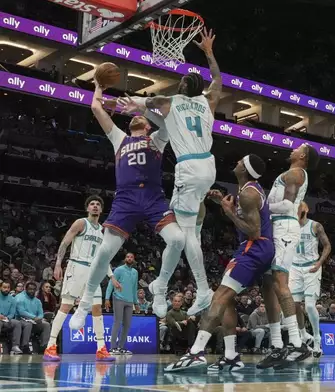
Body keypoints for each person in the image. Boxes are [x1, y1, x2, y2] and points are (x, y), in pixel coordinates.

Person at [68, 77, 186, 331]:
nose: (135, 119)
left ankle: (161, 285)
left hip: (153, 197)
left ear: (145, 124)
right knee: (103, 253)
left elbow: (166, 120)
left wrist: (142, 107)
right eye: (134, 117)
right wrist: (99, 86)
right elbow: (96, 109)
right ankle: (85, 302)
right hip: (126, 198)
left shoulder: (157, 139)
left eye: (141, 118)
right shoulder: (119, 138)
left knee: (178, 240)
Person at [119, 27, 221, 317]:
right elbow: (218, 79)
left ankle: (202, 289)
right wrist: (210, 54)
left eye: (181, 81)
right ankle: (160, 286)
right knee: (181, 234)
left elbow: (150, 103)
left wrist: (133, 104)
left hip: (188, 169)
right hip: (208, 166)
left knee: (184, 235)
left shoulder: (172, 102)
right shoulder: (207, 101)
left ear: (183, 87)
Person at [165, 154, 274, 373]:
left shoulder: (249, 194)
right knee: (228, 301)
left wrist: (228, 212)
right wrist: (223, 203)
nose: (236, 163)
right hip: (256, 249)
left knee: (219, 297)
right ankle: (232, 355)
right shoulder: (246, 190)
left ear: (245, 169)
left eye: (240, 161)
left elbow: (254, 231)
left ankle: (196, 352)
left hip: (255, 249)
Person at [257, 143, 319, 369]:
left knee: (280, 282)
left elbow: (286, 205)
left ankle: (296, 341)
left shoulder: (294, 173)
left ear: (302, 156)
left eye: (297, 148)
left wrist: (260, 206)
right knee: (267, 284)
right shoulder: (291, 173)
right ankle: (276, 344)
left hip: (284, 228)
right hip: (275, 227)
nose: (292, 149)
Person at [45, 196, 119, 362]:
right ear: (87, 208)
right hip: (76, 266)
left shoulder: (103, 230)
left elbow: (103, 257)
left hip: (94, 271)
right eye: (92, 204)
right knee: (66, 305)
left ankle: (101, 349)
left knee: (97, 308)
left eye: (98, 204)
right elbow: (64, 243)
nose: (95, 206)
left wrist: (111, 276)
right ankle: (50, 346)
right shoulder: (80, 223)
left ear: (101, 210)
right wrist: (57, 264)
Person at [290, 201, 331, 358]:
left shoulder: (315, 226)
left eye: (300, 207)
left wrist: (319, 262)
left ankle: (317, 339)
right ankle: (303, 335)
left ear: (306, 209)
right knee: (293, 305)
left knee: (309, 306)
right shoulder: (289, 225)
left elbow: (327, 246)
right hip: (294, 267)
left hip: (311, 267)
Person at [105, 253, 139, 355]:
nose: (129, 258)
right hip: (118, 298)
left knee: (127, 325)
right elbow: (111, 283)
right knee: (117, 322)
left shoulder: (135, 272)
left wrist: (136, 302)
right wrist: (107, 298)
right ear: (125, 259)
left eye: (131, 257)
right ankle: (112, 348)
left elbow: (134, 288)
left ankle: (120, 347)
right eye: (128, 257)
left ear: (134, 259)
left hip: (129, 301)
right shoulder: (119, 269)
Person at [16, 282, 51, 354]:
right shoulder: (19, 298)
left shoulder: (37, 301)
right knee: (28, 324)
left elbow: (41, 313)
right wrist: (34, 317)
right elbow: (21, 312)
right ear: (25, 289)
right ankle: (24, 346)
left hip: (34, 321)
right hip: (21, 320)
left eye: (34, 289)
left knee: (46, 325)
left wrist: (39, 318)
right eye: (30, 289)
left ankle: (43, 346)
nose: (32, 291)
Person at [0, 281, 28, 355]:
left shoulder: (12, 299)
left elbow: (12, 313)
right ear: (0, 288)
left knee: (17, 323)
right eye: (4, 287)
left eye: (8, 287)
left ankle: (15, 346)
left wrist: (7, 318)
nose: (6, 289)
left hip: (6, 319)